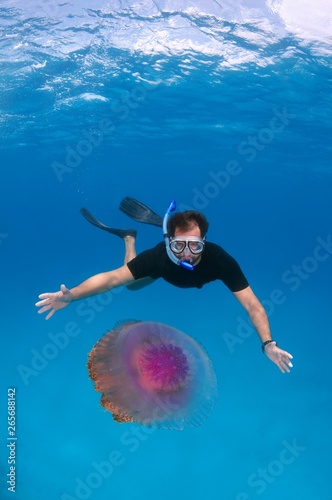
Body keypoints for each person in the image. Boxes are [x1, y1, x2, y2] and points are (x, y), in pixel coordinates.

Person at [35, 197, 293, 373]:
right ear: (170, 243)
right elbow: (112, 278)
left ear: (205, 241)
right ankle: (128, 238)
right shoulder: (158, 257)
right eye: (179, 245)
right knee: (130, 285)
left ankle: (137, 233)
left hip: (184, 269)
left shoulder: (220, 260)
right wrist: (73, 296)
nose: (187, 254)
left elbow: (253, 306)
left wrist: (268, 344)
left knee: (132, 285)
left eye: (195, 246)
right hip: (162, 271)